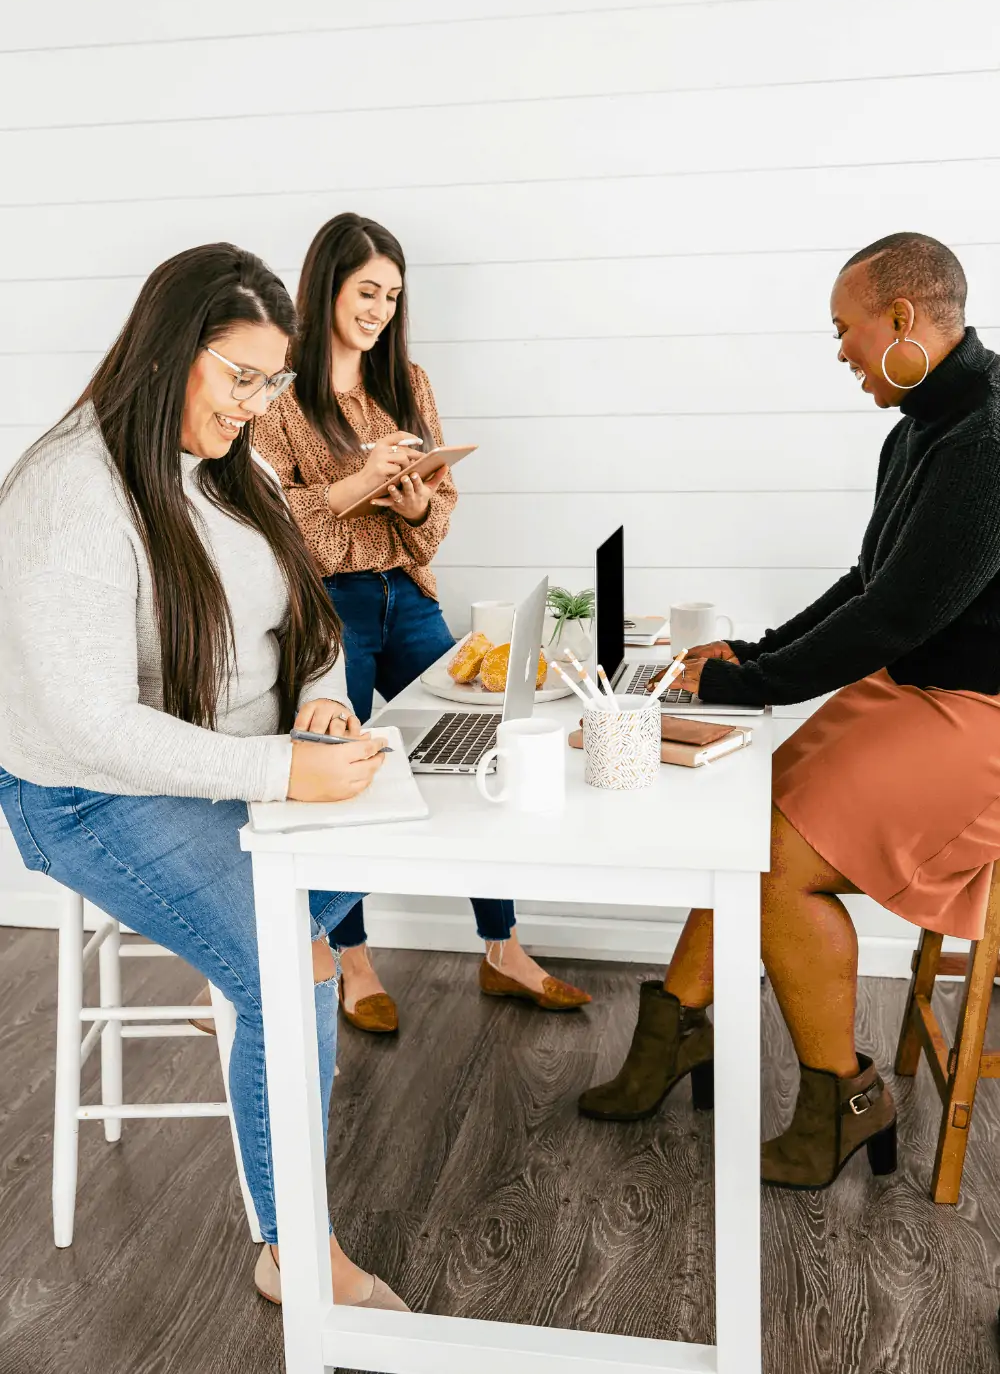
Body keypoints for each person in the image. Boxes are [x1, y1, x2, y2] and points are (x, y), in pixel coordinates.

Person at [0, 243, 409, 1310]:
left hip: (224, 771)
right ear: (170, 351)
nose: (257, 404)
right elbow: (89, 728)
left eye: (273, 381)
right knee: (296, 966)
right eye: (242, 377)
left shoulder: (240, 469)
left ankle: (234, 958)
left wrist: (320, 695)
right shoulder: (71, 492)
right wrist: (283, 769)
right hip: (88, 796)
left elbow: (310, 621)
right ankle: (295, 1252)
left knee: (384, 833)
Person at [579, 232, 1000, 1191]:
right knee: (742, 827)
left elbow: (892, 614)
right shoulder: (924, 425)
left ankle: (845, 1099)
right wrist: (754, 655)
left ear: (901, 319)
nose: (842, 351)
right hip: (918, 688)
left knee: (772, 868)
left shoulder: (987, 437)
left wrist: (740, 684)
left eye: (845, 330)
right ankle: (675, 1037)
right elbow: (871, 581)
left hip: (979, 714)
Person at [254, 213, 590, 1031]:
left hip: (407, 591)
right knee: (341, 771)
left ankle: (502, 945)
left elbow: (439, 517)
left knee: (478, 740)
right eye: (365, 290)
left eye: (392, 295)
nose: (377, 309)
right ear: (325, 284)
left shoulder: (406, 380)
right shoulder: (277, 392)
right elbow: (268, 522)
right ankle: (351, 958)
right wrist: (356, 479)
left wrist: (413, 500)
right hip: (327, 608)